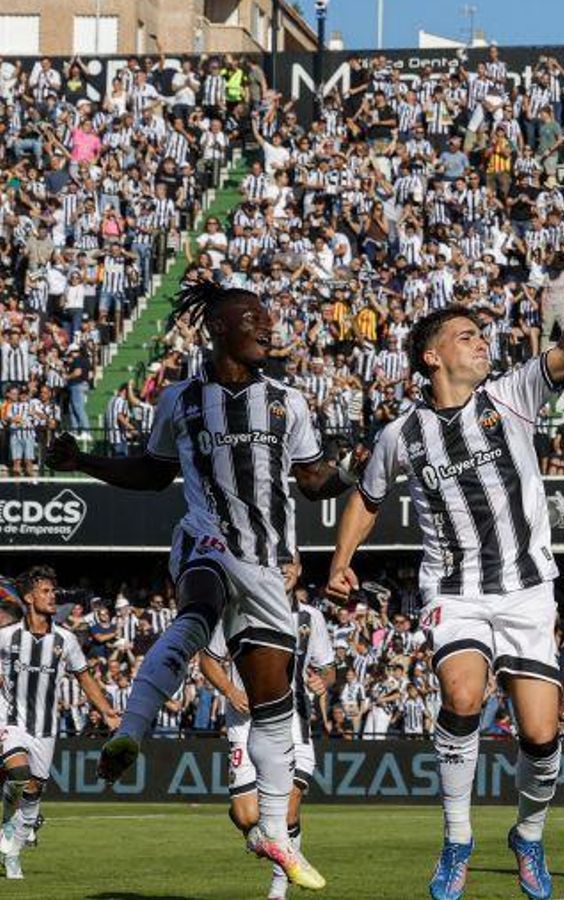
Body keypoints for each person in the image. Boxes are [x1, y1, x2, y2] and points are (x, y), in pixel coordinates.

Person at [327, 254, 564, 900]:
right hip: (455, 590)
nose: (481, 342)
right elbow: (366, 499)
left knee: (542, 736)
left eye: (481, 335)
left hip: (525, 589)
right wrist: (341, 563)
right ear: (432, 358)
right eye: (466, 336)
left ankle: (528, 835)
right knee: (463, 698)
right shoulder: (401, 435)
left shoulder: (510, 396)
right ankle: (458, 838)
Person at [45, 280, 357, 891]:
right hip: (206, 538)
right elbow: (152, 471)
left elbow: (314, 480)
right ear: (218, 329)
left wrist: (351, 473)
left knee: (272, 709)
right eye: (253, 317)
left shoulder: (288, 403)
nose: (268, 326)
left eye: (269, 316)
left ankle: (272, 831)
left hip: (269, 568)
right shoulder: (179, 400)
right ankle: (130, 730)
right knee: (195, 614)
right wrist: (82, 462)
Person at [196, 559, 334, 900]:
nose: (285, 569)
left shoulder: (311, 618)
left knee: (287, 808)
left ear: (301, 569)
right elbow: (208, 658)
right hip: (245, 725)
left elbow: (328, 667)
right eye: (279, 562)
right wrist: (230, 691)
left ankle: (277, 890)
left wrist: (322, 681)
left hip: (295, 725)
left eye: (291, 563)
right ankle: (260, 840)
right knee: (247, 816)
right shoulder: (237, 606)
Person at [0, 567, 122, 879]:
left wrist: (107, 712)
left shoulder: (65, 639)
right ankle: (5, 820)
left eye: (53, 591)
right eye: (45, 591)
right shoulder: (7, 637)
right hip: (11, 720)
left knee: (33, 792)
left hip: (46, 728)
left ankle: (13, 853)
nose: (53, 596)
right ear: (28, 598)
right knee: (17, 772)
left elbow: (84, 677)